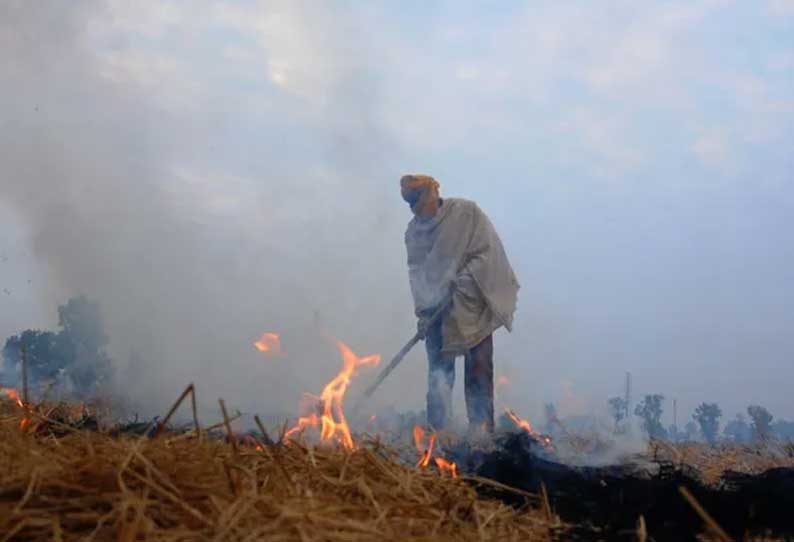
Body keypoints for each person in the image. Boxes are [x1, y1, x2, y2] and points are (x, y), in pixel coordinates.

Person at [401, 174, 519, 433]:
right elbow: (417, 272)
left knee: (479, 368)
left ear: (433, 195)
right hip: (436, 311)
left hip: (472, 305)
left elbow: (487, 253)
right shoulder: (413, 233)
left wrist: (462, 281)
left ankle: (482, 432)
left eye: (420, 203)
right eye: (412, 207)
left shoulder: (466, 213)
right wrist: (422, 313)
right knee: (439, 375)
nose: (418, 211)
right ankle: (438, 434)